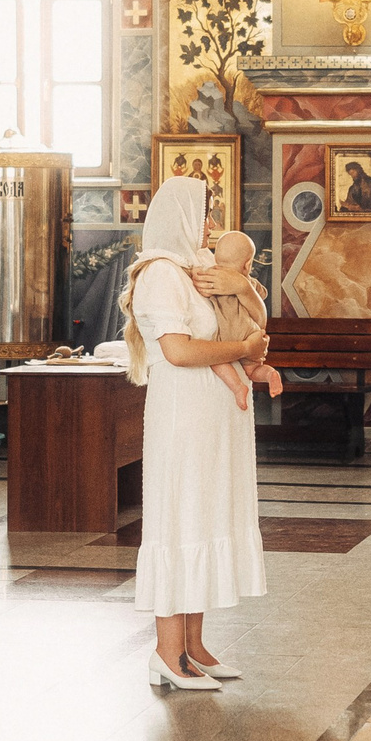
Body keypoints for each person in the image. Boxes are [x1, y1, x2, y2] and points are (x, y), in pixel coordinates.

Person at [119, 176, 268, 690]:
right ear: (179, 216)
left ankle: (195, 646)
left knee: (204, 519)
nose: (211, 226)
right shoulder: (161, 274)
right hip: (183, 416)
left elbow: (256, 324)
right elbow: (179, 352)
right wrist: (244, 353)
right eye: (204, 215)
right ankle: (167, 652)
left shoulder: (198, 269)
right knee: (179, 521)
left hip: (216, 417)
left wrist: (246, 290)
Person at [200, 230, 282, 414]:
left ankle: (238, 387)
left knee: (215, 361)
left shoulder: (213, 276)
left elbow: (202, 289)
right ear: (247, 264)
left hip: (225, 337)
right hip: (250, 332)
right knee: (253, 370)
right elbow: (262, 295)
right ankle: (270, 374)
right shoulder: (248, 281)